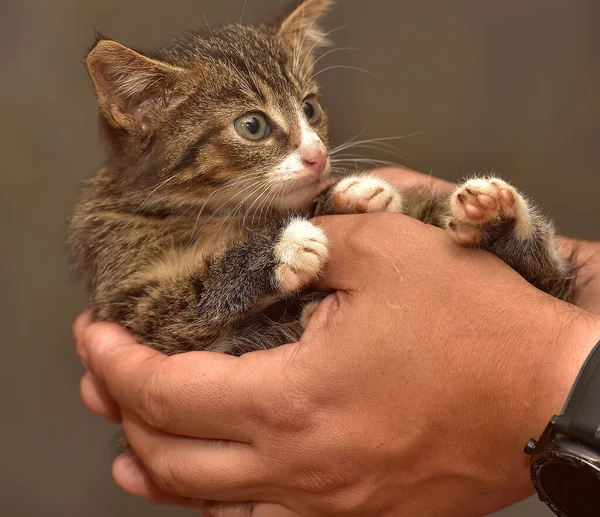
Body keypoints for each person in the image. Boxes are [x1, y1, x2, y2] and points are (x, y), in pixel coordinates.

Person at [73, 168, 600, 517]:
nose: (315, 149)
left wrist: (545, 373)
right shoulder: (122, 228)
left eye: (308, 107)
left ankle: (517, 245)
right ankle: (519, 248)